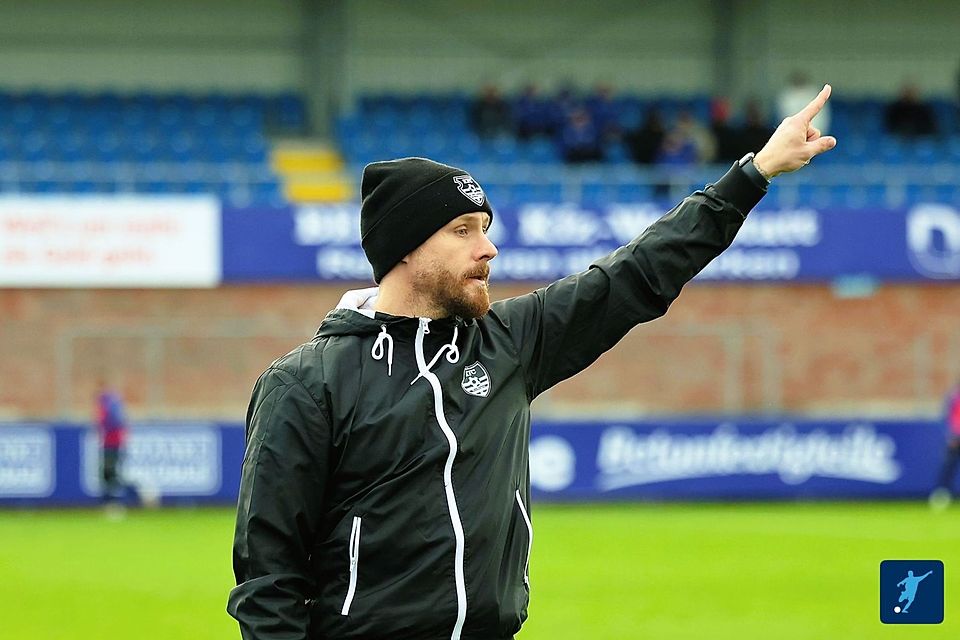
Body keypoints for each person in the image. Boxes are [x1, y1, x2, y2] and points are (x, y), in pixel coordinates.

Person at [228, 85, 837, 640]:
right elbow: (268, 584)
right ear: (405, 248)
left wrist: (752, 174)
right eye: (463, 231)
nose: (488, 248)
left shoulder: (509, 342)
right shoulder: (306, 384)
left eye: (486, 228)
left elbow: (639, 273)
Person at [928, 381, 960, 509]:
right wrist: (951, 435)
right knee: (948, 466)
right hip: (955, 437)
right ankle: (941, 494)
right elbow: (947, 417)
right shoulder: (954, 396)